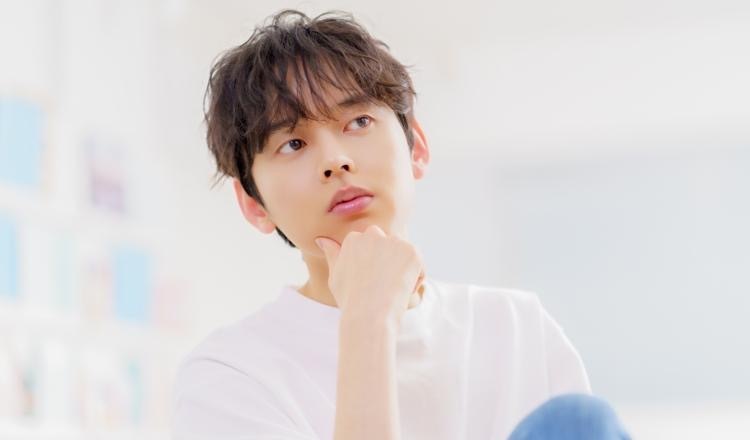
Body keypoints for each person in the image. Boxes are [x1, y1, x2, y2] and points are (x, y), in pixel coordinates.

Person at [171, 8, 631, 440]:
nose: (335, 160)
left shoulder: (516, 327)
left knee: (580, 421)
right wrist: (367, 320)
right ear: (253, 204)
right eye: (293, 144)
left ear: (417, 149)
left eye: (359, 121)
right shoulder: (230, 373)